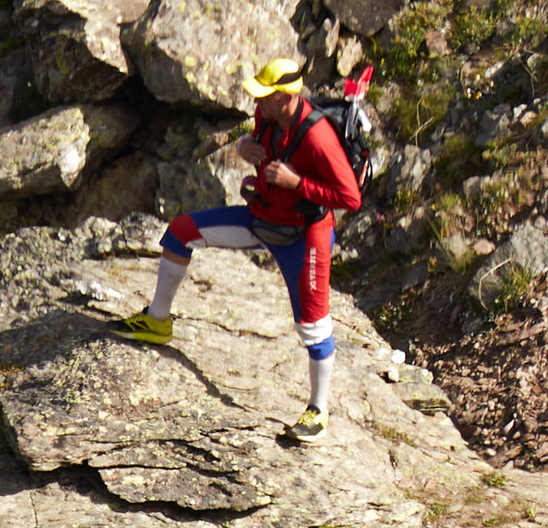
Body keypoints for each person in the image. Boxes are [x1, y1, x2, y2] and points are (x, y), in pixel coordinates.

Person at [109, 56, 365, 435]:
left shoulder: (318, 137)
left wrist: (297, 183)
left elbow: (351, 197)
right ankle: (157, 322)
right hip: (263, 217)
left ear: (286, 96)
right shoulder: (269, 117)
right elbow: (259, 148)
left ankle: (318, 410)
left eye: (264, 96)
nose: (256, 103)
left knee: (312, 326)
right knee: (181, 231)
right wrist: (246, 147)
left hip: (304, 234)